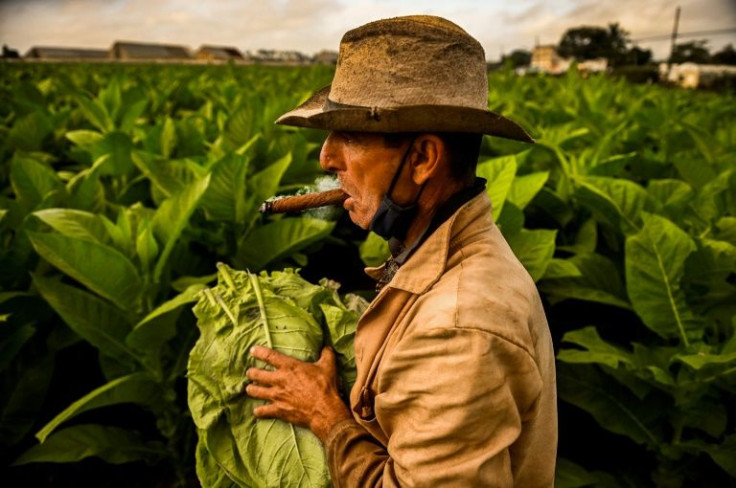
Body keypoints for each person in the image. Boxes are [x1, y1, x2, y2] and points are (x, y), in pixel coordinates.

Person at [245, 15, 557, 487]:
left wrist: (325, 415)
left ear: (422, 159)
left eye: (349, 137)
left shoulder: (460, 327)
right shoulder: (436, 252)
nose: (326, 159)